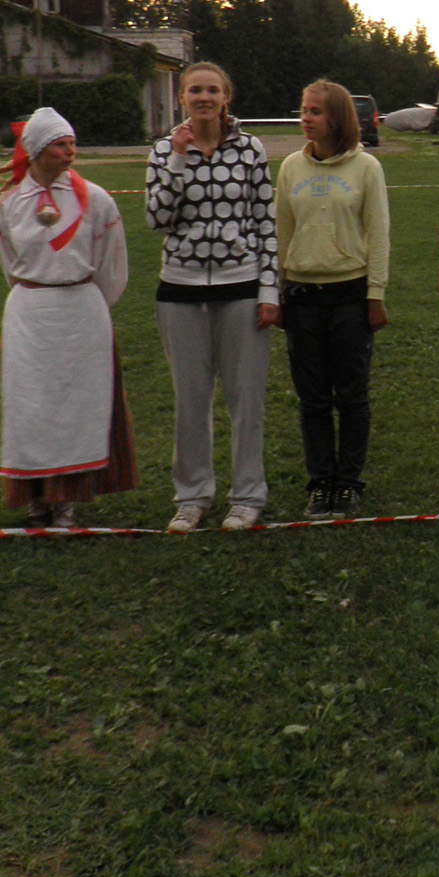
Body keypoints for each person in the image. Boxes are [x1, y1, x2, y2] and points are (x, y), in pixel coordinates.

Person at [145, 61, 279, 533]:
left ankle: (246, 496)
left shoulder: (250, 151)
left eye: (213, 90)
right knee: (191, 400)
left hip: (241, 288)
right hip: (178, 291)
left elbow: (266, 223)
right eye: (195, 91)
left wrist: (269, 290)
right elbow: (158, 220)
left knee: (246, 400)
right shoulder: (164, 151)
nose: (204, 98)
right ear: (182, 98)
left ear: (226, 98)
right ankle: (192, 497)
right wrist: (179, 160)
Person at [0, 107, 135, 529]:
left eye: (73, 143)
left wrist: (85, 303)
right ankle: (36, 499)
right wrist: (37, 296)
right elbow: (10, 264)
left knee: (76, 408)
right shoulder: (8, 205)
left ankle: (67, 499)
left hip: (81, 314)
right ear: (36, 150)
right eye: (60, 144)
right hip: (30, 316)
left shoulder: (98, 200)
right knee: (31, 407)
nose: (71, 152)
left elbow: (112, 265)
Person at [276, 79, 391, 519]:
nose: (306, 119)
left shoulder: (366, 169)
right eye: (304, 110)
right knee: (313, 400)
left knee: (352, 397)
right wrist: (280, 291)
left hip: (350, 295)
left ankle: (348, 483)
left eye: (316, 112)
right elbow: (282, 233)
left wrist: (374, 295)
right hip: (303, 296)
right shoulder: (290, 168)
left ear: (337, 118)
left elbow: (378, 235)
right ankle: (321, 483)